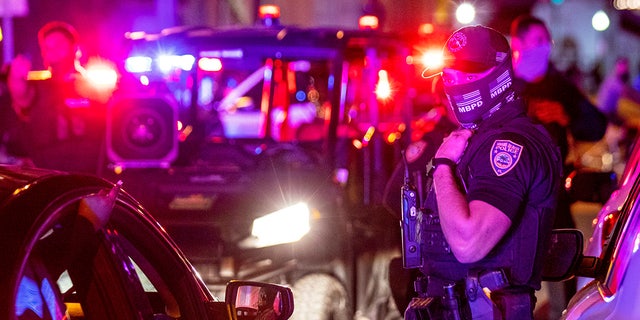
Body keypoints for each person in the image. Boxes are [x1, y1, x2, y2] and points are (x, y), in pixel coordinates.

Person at [403, 25, 562, 320]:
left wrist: (443, 167)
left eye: (469, 75)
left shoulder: (509, 145)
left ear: (498, 75)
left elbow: (468, 244)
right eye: (450, 77)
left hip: (484, 310)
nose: (457, 85)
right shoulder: (475, 139)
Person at [509, 15, 607, 319]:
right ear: (518, 45)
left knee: (562, 263)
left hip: (554, 194)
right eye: (537, 41)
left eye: (546, 42)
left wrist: (567, 117)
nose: (544, 49)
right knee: (514, 276)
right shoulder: (506, 85)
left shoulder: (559, 85)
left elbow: (596, 125)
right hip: (512, 195)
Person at [7, 21, 108, 174]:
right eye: (47, 47)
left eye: (59, 45)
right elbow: (20, 95)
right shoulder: (38, 89)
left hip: (91, 177)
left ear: (75, 48)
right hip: (49, 179)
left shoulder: (95, 85)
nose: (53, 50)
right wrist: (16, 75)